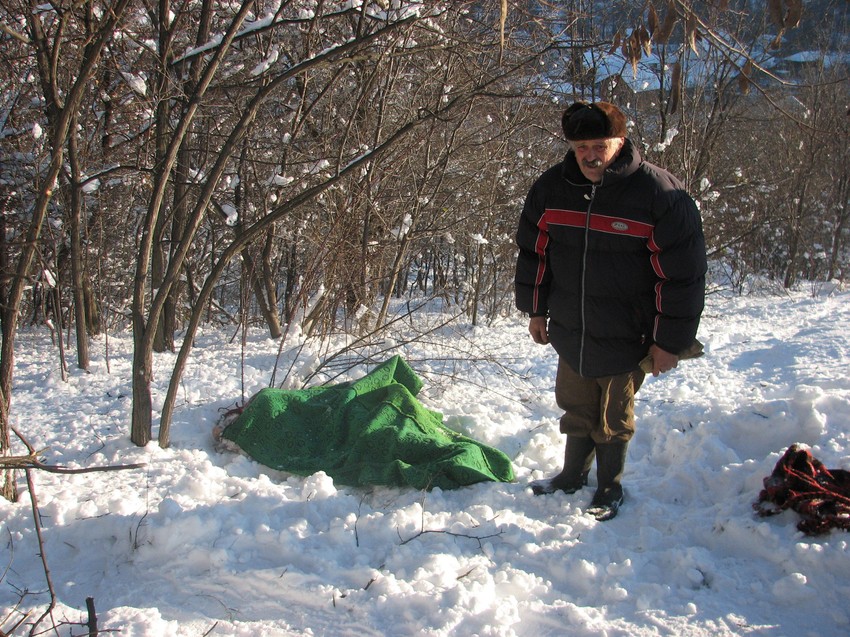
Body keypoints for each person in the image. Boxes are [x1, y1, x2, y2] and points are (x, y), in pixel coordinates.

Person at [514, 101, 706, 521]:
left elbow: (683, 276)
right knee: (576, 405)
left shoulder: (658, 194)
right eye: (581, 146)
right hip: (572, 328)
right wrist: (535, 310)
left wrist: (669, 342)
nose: (590, 154)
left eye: (599, 144)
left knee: (612, 416)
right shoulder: (552, 188)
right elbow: (534, 254)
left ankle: (609, 487)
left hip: (629, 334)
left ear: (619, 142)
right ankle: (570, 476)